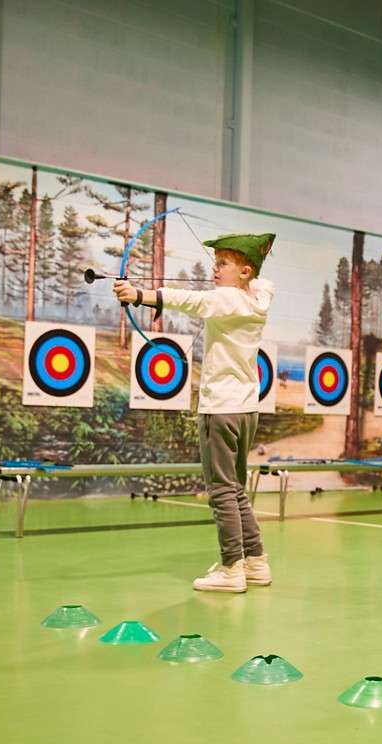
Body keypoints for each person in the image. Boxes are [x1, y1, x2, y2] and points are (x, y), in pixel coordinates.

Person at [114, 233, 276, 593]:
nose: (214, 268)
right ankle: (256, 562)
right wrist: (251, 271)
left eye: (223, 264)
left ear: (245, 270)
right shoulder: (259, 296)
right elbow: (264, 283)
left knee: (221, 491)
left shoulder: (227, 299)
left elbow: (186, 299)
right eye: (216, 262)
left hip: (220, 409)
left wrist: (138, 294)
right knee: (235, 490)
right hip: (247, 409)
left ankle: (231, 568)